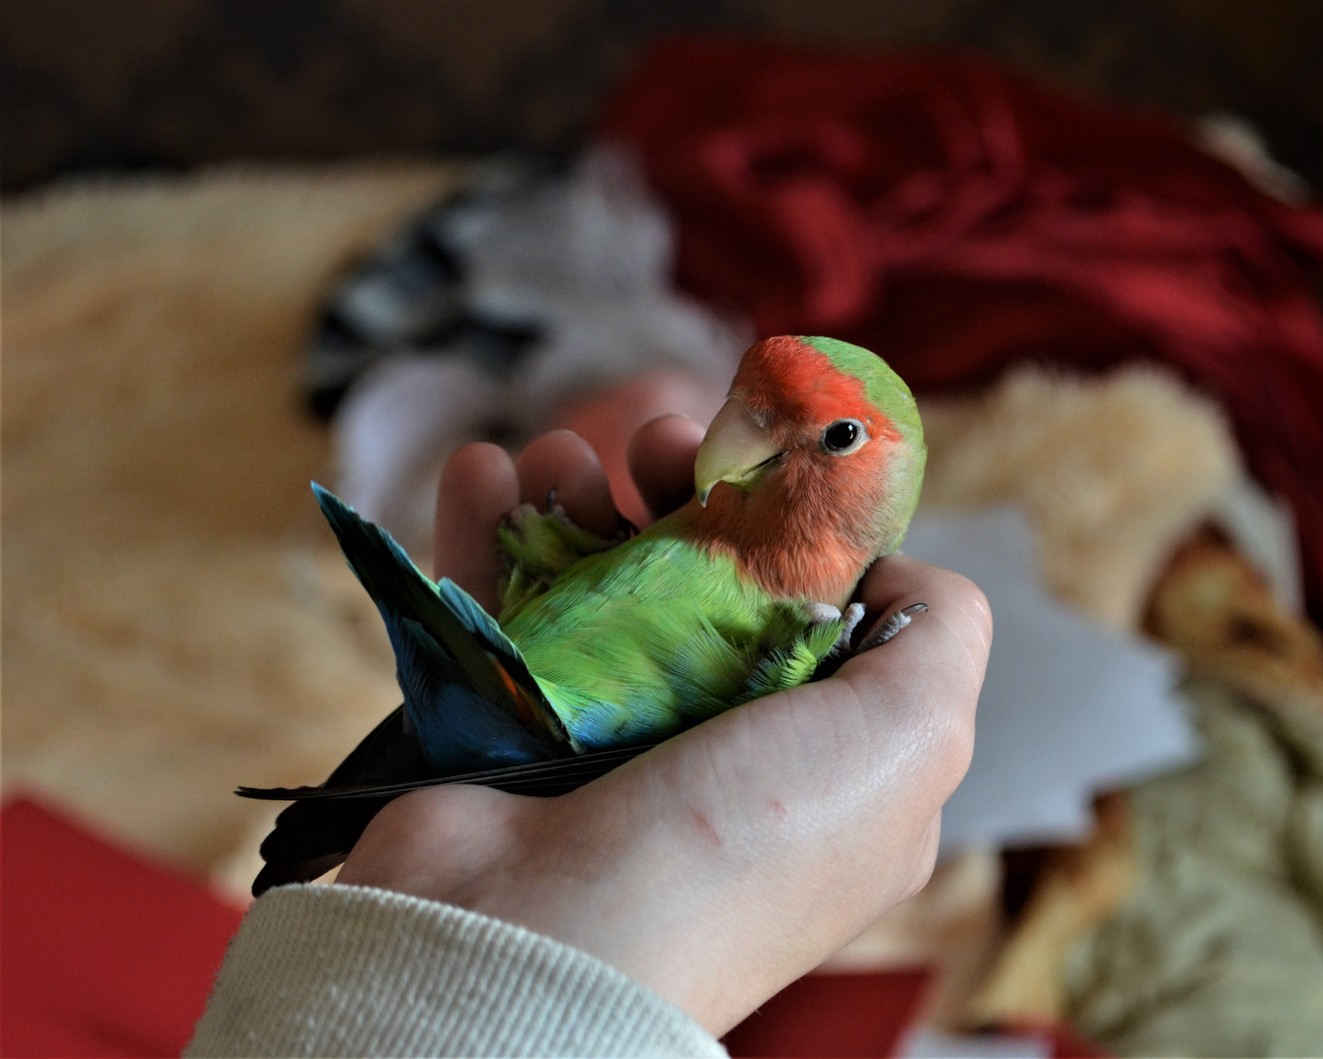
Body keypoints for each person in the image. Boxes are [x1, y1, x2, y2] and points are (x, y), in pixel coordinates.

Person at [187, 414, 993, 1057]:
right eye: (744, 406)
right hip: (508, 697)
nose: (741, 436)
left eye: (838, 435)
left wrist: (801, 658)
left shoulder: (787, 616)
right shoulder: (696, 534)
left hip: (519, 719)